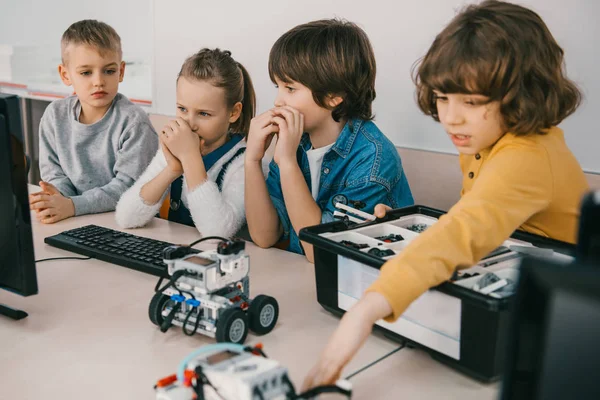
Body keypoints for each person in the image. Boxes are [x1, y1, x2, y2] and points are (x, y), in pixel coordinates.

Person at [303, 0, 589, 389]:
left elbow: (465, 229)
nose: (451, 117)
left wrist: (366, 308)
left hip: (557, 327)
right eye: (442, 97)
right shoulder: (484, 138)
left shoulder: (529, 155)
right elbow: (480, 219)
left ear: (523, 93)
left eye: (471, 102)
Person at [245, 19, 414, 261]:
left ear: (334, 95)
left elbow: (321, 252)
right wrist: (252, 160)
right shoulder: (298, 142)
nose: (278, 101)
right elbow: (265, 235)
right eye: (277, 86)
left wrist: (288, 163)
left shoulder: (374, 159)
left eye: (290, 88)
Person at [115, 48, 256, 238]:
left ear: (233, 112)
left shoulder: (246, 163)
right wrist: (171, 170)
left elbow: (217, 232)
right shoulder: (176, 150)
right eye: (182, 109)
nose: (189, 124)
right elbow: (126, 217)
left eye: (204, 114)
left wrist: (190, 158)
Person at [29, 19, 158, 224]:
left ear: (121, 71)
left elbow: (127, 188)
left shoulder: (134, 123)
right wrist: (57, 199)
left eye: (109, 71)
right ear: (65, 74)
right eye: (86, 72)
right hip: (75, 218)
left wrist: (72, 205)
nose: (98, 81)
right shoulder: (54, 116)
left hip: (124, 223)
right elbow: (55, 175)